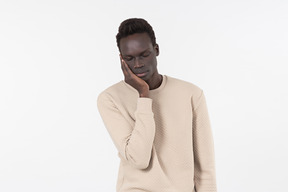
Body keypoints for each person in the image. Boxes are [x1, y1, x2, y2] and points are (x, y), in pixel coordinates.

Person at [97, 18, 217, 192]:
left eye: (144, 55)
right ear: (121, 59)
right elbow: (139, 159)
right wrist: (143, 96)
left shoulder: (191, 94)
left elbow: (205, 167)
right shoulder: (110, 99)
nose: (138, 64)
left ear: (156, 50)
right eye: (130, 58)